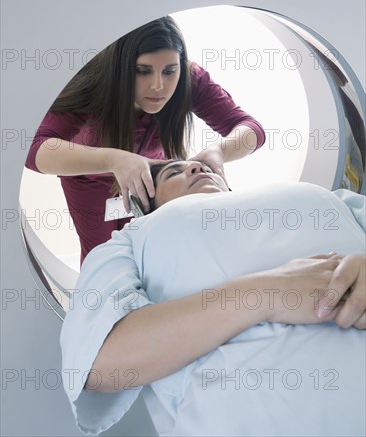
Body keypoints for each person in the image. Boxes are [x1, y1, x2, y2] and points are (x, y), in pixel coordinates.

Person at [60, 160, 366, 436]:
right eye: (174, 172)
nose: (196, 168)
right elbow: (102, 364)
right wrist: (266, 292)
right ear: (147, 205)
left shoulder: (326, 197)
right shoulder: (129, 239)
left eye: (201, 165)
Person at [25, 17, 265, 265]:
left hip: (150, 181)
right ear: (121, 67)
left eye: (170, 71)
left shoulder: (191, 80)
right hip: (90, 179)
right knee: (103, 257)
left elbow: (251, 130)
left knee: (156, 253)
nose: (158, 85)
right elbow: (33, 149)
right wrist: (114, 159)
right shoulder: (93, 84)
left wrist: (220, 151)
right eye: (143, 71)